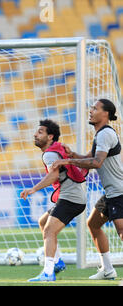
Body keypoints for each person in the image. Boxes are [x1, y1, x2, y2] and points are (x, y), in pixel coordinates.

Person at [52, 99, 123, 280]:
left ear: (105, 114)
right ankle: (108, 270)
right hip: (112, 193)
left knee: (122, 232)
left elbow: (96, 163)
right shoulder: (100, 135)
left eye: (95, 108)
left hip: (120, 193)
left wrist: (67, 161)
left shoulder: (105, 134)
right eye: (91, 108)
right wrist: (72, 155)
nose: (90, 111)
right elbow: (88, 159)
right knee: (93, 224)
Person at [20, 119, 88, 282]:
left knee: (50, 231)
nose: (35, 135)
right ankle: (57, 262)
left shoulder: (50, 154)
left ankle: (48, 272)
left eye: (40, 132)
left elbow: (54, 175)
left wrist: (33, 189)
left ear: (50, 137)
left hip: (71, 198)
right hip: (71, 195)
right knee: (44, 223)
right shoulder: (54, 150)